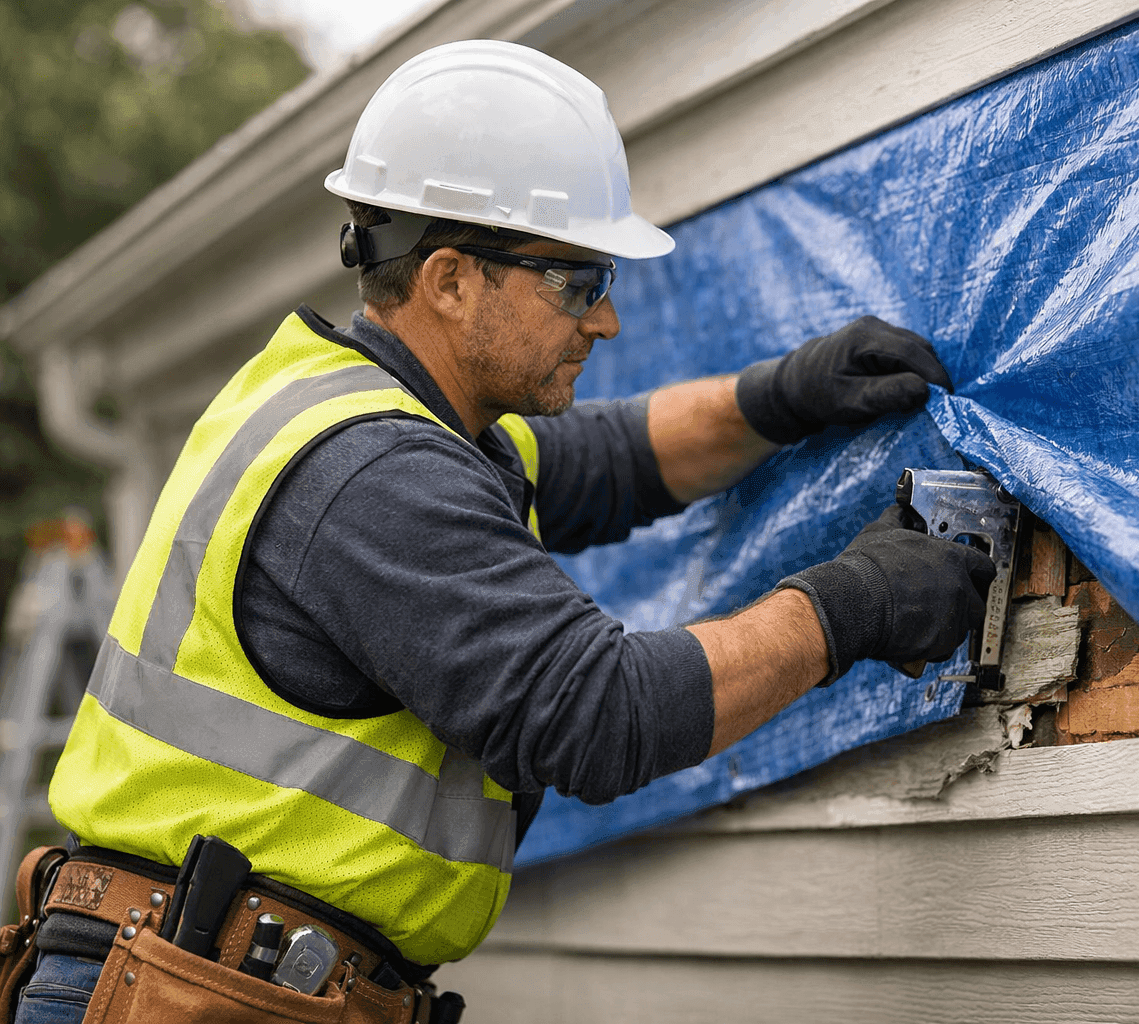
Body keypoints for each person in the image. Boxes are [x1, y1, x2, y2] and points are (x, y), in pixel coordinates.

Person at [13, 41, 995, 1024]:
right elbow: (597, 712)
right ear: (449, 280)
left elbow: (608, 458)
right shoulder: (378, 473)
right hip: (205, 988)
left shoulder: (355, 410)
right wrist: (855, 603)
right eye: (577, 283)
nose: (604, 320)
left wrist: (777, 397)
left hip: (212, 973)